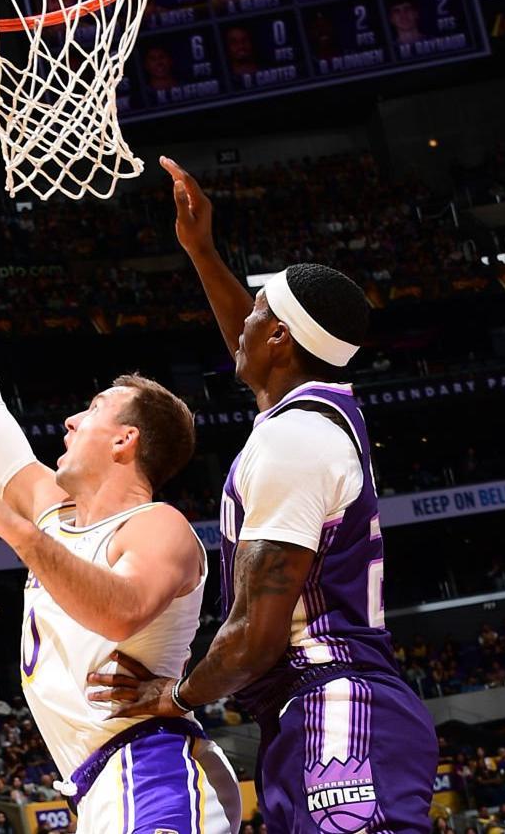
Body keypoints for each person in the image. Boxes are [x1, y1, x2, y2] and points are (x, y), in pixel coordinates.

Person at [87, 158, 436, 832]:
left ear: (279, 336)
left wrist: (176, 695)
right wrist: (201, 251)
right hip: (307, 710)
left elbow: (255, 633)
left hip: (334, 704)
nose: (240, 325)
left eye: (256, 313)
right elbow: (256, 352)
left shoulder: (292, 441)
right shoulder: (310, 413)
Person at [0, 216, 241, 834]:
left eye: (94, 409)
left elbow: (122, 611)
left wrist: (16, 530)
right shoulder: (52, 510)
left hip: (154, 771)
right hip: (100, 783)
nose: (71, 421)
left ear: (126, 440)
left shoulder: (157, 526)